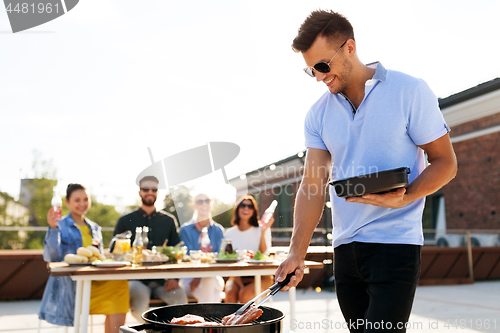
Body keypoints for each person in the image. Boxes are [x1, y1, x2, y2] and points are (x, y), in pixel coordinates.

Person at [275, 10, 457, 333]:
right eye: (310, 70)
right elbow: (312, 186)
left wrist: (407, 196)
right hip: (345, 253)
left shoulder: (409, 91)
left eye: (322, 66)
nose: (318, 78)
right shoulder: (317, 115)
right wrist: (295, 253)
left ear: (349, 48)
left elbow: (446, 163)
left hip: (395, 245)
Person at [39, 184, 129, 333]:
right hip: (72, 287)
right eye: (77, 200)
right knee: (117, 289)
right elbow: (51, 257)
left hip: (95, 281)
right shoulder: (59, 225)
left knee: (120, 285)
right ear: (67, 202)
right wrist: (53, 229)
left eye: (85, 199)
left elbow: (98, 258)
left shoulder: (95, 228)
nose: (82, 204)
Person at [113, 176, 187, 322]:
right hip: (136, 279)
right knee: (139, 307)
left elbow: (177, 252)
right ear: (140, 192)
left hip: (164, 279)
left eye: (154, 189)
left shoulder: (169, 220)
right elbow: (116, 253)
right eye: (146, 189)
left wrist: (175, 277)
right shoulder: (125, 220)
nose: (150, 192)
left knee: (180, 299)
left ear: (158, 192)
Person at [224, 195, 275, 303]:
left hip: (262, 276)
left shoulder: (262, 229)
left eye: (250, 206)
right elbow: (228, 258)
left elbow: (264, 253)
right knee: (230, 293)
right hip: (237, 276)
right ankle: (231, 320)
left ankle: (246, 320)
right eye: (243, 205)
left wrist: (263, 232)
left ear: (254, 211)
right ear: (237, 209)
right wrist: (241, 285)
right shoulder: (229, 233)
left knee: (245, 294)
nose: (246, 208)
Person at [178, 193, 225, 302]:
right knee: (211, 286)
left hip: (213, 275)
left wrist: (200, 276)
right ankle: (213, 318)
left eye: (207, 201)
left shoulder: (218, 230)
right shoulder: (185, 229)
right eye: (200, 201)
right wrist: (197, 275)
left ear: (211, 204)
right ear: (194, 206)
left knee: (209, 280)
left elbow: (220, 258)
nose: (204, 204)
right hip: (189, 278)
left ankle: (205, 318)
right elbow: (185, 257)